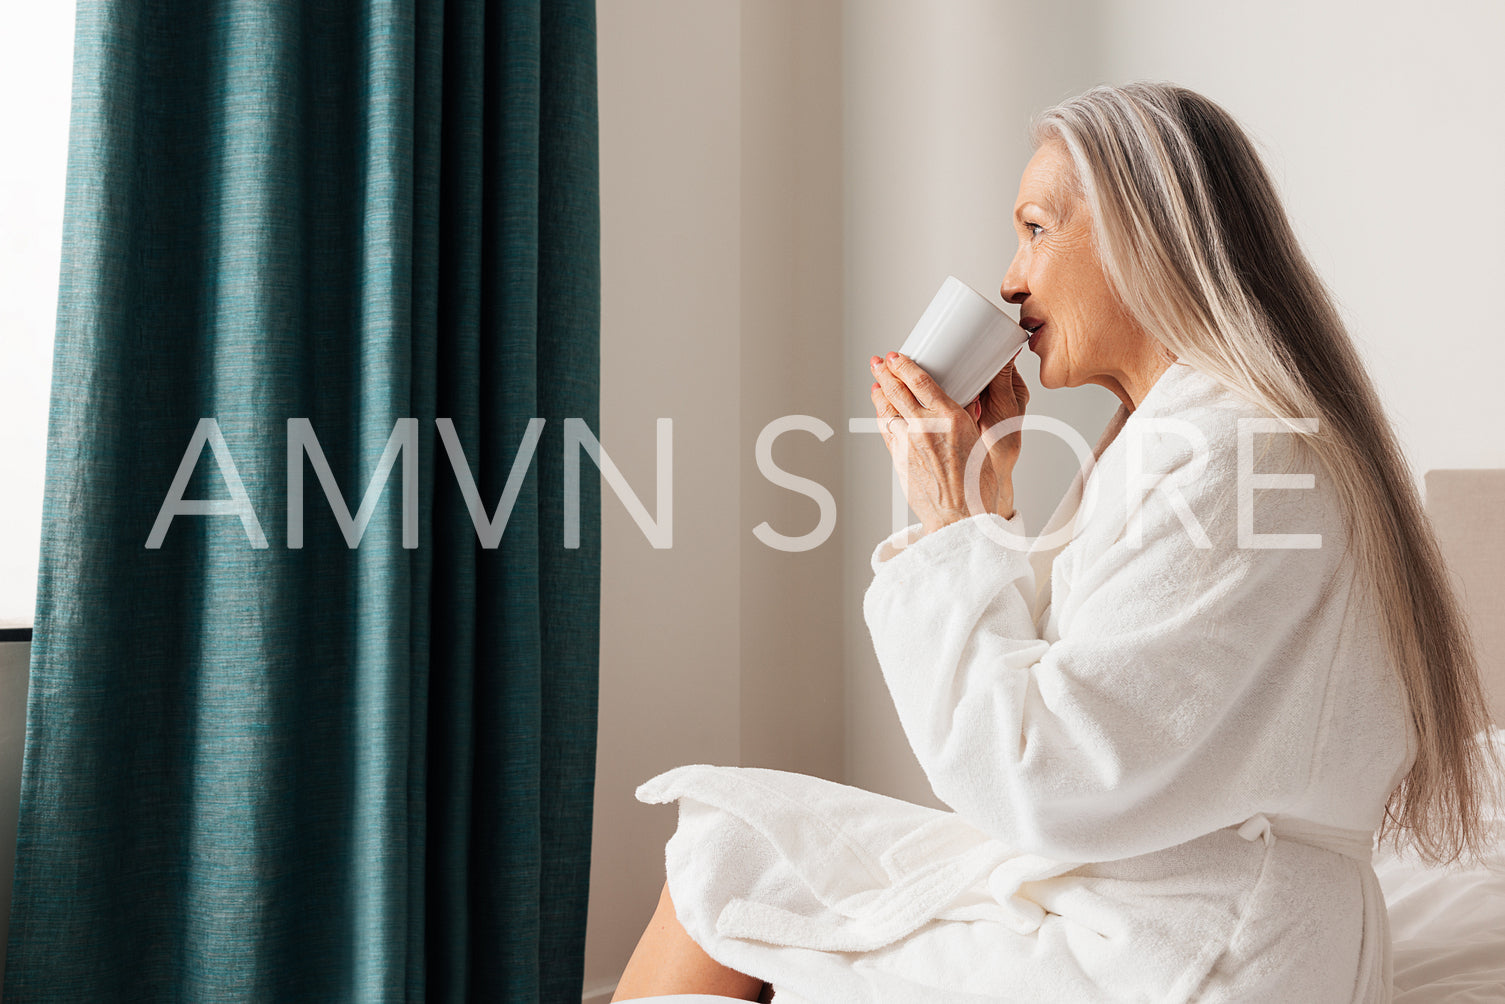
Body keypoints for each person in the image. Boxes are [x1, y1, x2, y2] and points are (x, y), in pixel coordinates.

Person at [611, 82, 1500, 1003]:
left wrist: (947, 524)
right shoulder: (1183, 435)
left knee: (725, 867)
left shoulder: (1241, 456)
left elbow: (1042, 778)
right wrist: (982, 502)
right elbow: (1085, 700)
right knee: (738, 850)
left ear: (1141, 238)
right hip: (1161, 906)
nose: (1009, 278)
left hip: (1201, 949)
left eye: (1035, 228)